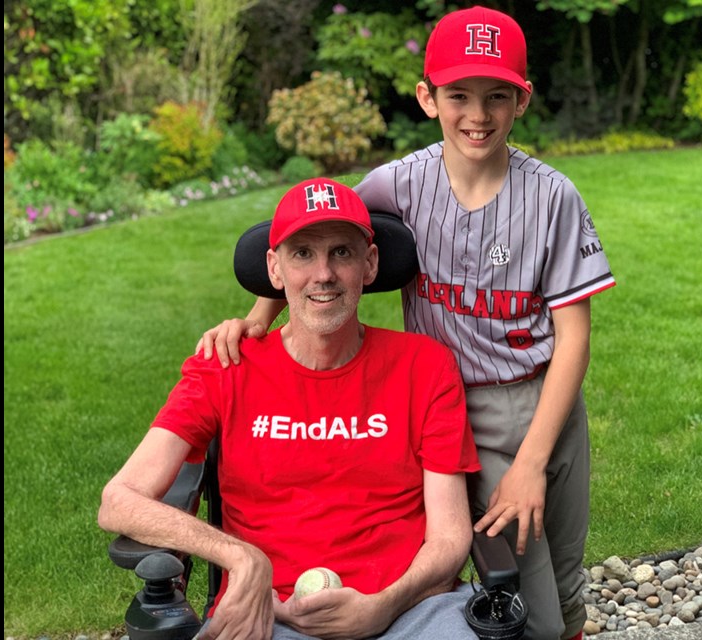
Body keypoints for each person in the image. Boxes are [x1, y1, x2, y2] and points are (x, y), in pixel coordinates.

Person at [198, 7, 616, 639]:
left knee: (563, 575)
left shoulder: (552, 194)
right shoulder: (397, 185)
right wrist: (260, 313)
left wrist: (535, 456)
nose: (477, 114)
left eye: (497, 95)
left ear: (522, 100)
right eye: (459, 95)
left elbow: (575, 335)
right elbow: (312, 240)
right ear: (428, 98)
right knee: (529, 598)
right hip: (453, 405)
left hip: (548, 398)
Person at [100, 177, 482, 640]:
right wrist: (242, 558)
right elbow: (119, 501)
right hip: (266, 613)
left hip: (410, 609)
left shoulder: (424, 366)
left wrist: (382, 606)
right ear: (274, 270)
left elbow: (449, 538)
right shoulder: (226, 366)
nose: (323, 274)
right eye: (302, 253)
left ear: (370, 264)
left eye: (341, 252)